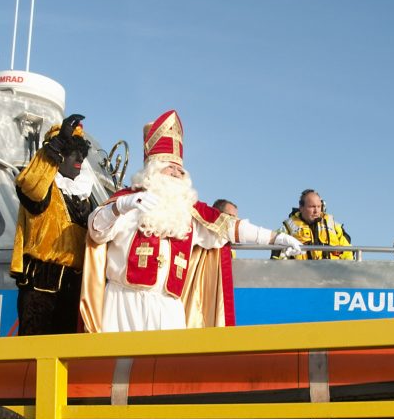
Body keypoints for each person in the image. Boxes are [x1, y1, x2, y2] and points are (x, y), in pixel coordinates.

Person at [80, 110, 301, 332]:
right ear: (153, 171)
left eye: (180, 169)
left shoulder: (190, 212)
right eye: (170, 167)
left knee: (170, 356)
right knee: (119, 355)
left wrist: (277, 238)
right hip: (124, 304)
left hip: (169, 308)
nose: (177, 173)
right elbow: (96, 230)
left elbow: (231, 227)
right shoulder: (127, 202)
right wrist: (121, 206)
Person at [10, 114, 96, 335]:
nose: (79, 157)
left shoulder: (85, 197)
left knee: (70, 352)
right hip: (42, 285)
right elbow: (31, 186)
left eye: (81, 152)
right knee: (36, 349)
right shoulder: (43, 186)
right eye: (72, 151)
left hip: (76, 288)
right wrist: (57, 144)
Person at [274, 189, 353, 260]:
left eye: (318, 206)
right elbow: (277, 258)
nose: (316, 211)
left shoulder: (335, 227)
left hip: (332, 271)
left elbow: (348, 254)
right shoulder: (286, 229)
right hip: (300, 271)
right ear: (301, 207)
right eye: (312, 207)